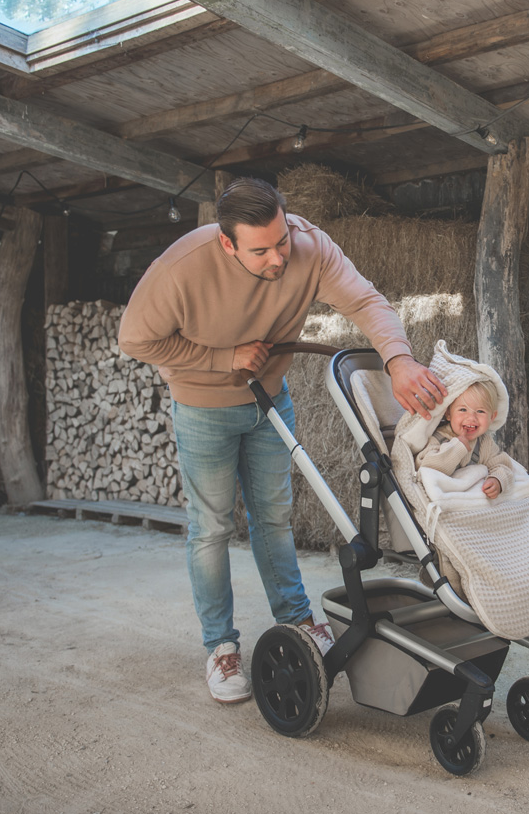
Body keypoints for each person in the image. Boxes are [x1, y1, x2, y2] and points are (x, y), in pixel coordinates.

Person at [118, 177, 446, 704]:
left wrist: (399, 359)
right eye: (260, 249)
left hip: (269, 399)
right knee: (212, 527)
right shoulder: (182, 268)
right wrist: (222, 359)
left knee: (274, 516)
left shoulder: (309, 248)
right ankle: (221, 646)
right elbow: (134, 338)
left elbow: (364, 301)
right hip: (202, 407)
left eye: (281, 241)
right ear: (227, 243)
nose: (277, 258)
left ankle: (296, 620)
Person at [413, 379, 516, 499]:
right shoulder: (438, 438)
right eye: (463, 410)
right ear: (448, 414)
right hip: (446, 500)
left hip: (469, 506)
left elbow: (502, 465)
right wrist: (457, 447)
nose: (471, 418)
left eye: (480, 411)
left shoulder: (484, 443)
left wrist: (497, 480)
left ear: (492, 417)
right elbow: (427, 467)